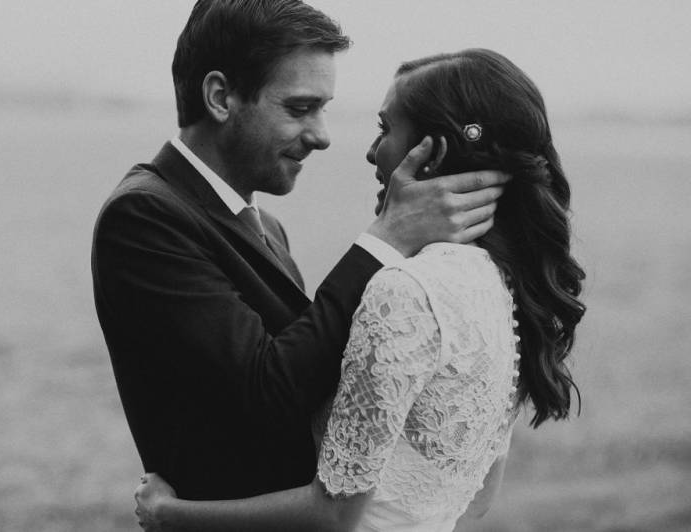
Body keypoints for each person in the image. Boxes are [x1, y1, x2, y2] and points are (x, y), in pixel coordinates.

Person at [133, 48, 586, 532]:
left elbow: (334, 515)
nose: (372, 151)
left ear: (433, 153)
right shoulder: (504, 289)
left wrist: (172, 515)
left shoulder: (404, 290)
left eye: (385, 129)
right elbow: (477, 499)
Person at [92, 0, 506, 507]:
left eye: (323, 109)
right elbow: (269, 394)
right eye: (299, 108)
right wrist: (386, 240)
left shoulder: (268, 226)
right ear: (221, 97)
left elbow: (312, 374)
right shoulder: (144, 216)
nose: (322, 136)